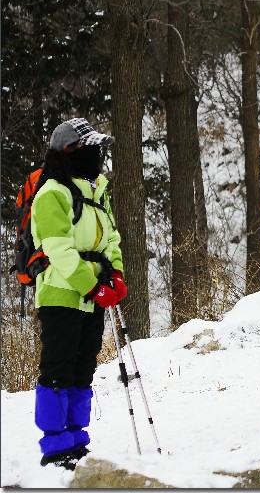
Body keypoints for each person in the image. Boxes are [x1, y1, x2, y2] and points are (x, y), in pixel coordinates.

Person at [32, 118, 126, 470]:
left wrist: (115, 275)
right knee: (58, 369)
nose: (97, 154)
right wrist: (94, 284)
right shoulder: (52, 193)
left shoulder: (97, 192)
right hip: (61, 295)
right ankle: (55, 448)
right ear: (69, 151)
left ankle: (76, 439)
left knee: (83, 369)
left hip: (93, 297)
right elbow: (59, 250)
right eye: (90, 148)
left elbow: (112, 241)